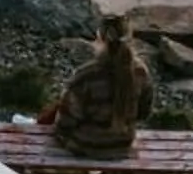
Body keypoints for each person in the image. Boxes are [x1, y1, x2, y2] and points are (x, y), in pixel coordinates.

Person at [42, 15, 153, 155]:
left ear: (99, 37)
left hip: (85, 145)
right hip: (123, 145)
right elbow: (144, 113)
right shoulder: (140, 72)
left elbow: (66, 121)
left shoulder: (86, 75)